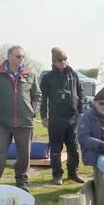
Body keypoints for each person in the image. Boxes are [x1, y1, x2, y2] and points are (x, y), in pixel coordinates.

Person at [0, 46, 41, 192]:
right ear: (9, 56)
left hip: (25, 122)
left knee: (24, 155)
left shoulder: (30, 75)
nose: (21, 59)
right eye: (18, 56)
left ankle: (22, 183)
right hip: (2, 122)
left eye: (22, 56)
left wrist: (33, 110)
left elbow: (37, 95)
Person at [39, 47, 84, 185]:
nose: (63, 62)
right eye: (60, 60)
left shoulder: (73, 75)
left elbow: (80, 93)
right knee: (56, 149)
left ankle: (73, 173)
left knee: (74, 149)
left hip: (72, 118)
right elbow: (43, 98)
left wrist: (81, 112)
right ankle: (57, 175)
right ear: (54, 62)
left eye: (65, 59)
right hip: (56, 118)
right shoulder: (47, 78)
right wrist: (44, 116)